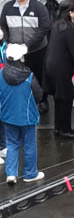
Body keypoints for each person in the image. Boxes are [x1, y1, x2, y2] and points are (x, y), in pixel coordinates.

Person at [0, 44, 40, 185]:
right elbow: (38, 95)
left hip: (7, 116)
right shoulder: (29, 76)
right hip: (27, 117)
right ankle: (30, 173)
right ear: (20, 58)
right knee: (29, 145)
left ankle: (11, 174)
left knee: (11, 144)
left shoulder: (1, 74)